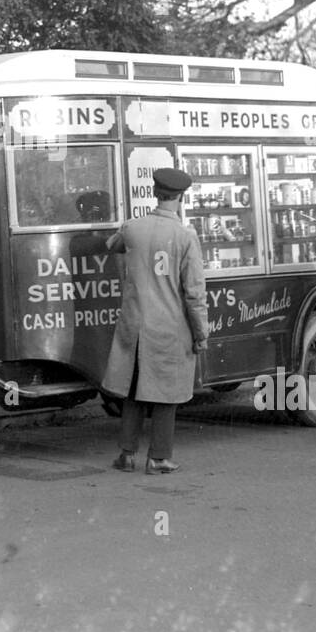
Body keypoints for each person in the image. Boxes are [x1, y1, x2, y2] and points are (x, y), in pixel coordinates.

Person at [102, 167, 209, 474]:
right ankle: (159, 457)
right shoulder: (186, 236)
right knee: (167, 392)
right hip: (167, 328)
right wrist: (200, 333)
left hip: (133, 325)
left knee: (135, 388)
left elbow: (112, 245)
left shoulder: (132, 227)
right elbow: (194, 294)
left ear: (154, 193)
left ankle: (126, 454)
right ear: (181, 197)